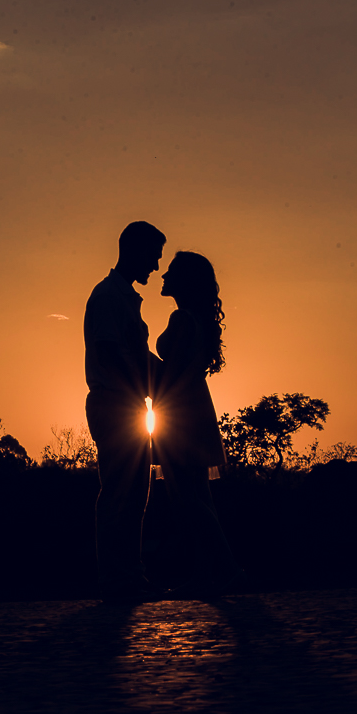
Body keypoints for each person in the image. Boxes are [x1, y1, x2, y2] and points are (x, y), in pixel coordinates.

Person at [152, 251, 243, 599]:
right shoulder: (192, 320)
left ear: (184, 280)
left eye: (171, 271)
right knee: (198, 497)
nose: (163, 276)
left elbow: (174, 373)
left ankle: (228, 570)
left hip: (180, 415)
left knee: (187, 497)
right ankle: (208, 574)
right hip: (192, 409)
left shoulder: (182, 320)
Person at [84, 221, 166, 603]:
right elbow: (108, 351)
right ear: (133, 250)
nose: (156, 265)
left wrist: (162, 376)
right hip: (115, 403)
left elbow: (130, 353)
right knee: (120, 493)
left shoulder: (123, 297)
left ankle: (129, 576)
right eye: (152, 256)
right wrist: (141, 386)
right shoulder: (108, 296)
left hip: (128, 405)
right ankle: (117, 579)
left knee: (135, 493)